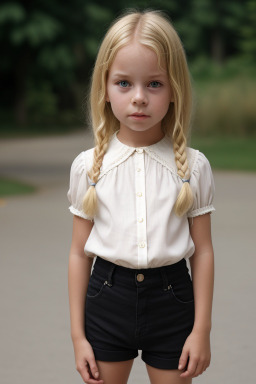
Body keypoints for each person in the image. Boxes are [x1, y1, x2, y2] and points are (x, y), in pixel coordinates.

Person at [67, 8, 216, 384]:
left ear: (174, 89)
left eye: (154, 84)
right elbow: (76, 253)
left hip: (173, 301)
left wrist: (201, 330)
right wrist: (78, 336)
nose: (138, 98)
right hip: (106, 300)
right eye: (123, 83)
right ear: (104, 88)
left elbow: (204, 252)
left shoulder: (193, 167)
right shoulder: (89, 167)